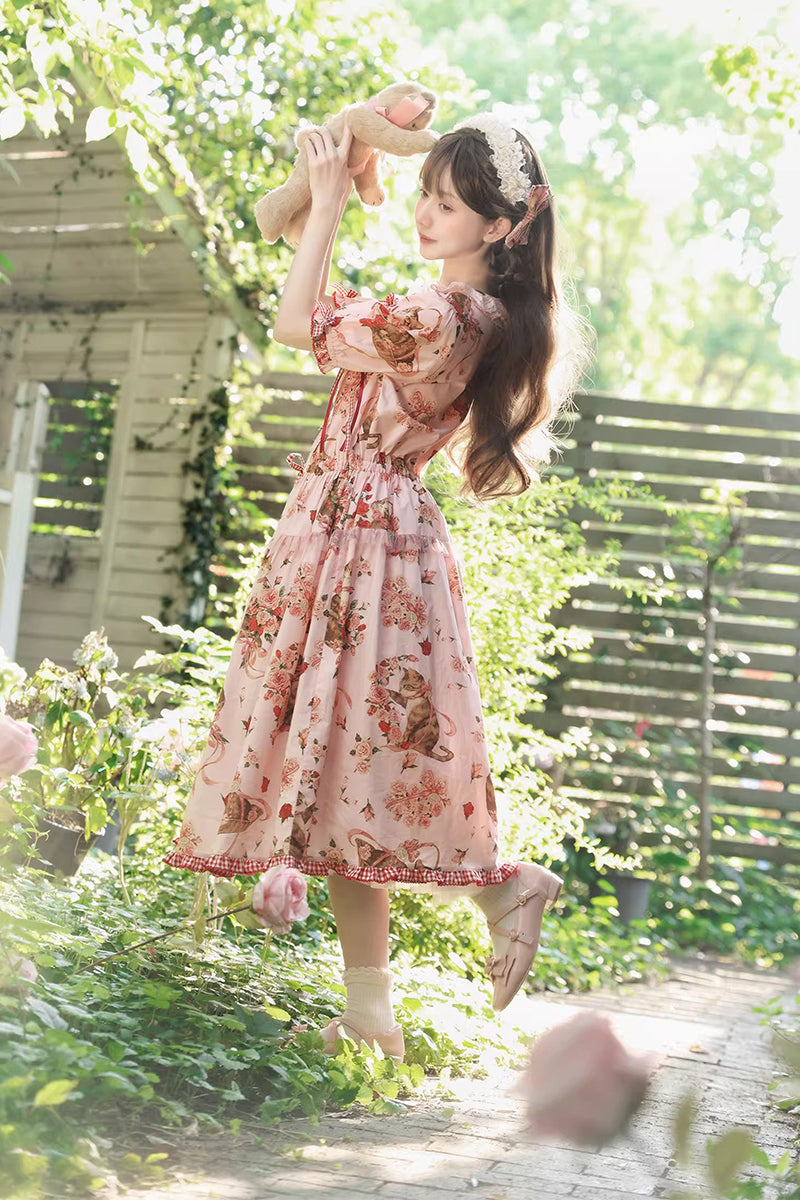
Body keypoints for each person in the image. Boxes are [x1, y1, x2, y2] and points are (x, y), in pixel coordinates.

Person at [164, 112, 589, 1062]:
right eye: (426, 195)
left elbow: (294, 323)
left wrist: (324, 205)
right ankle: (372, 1016)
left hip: (361, 540)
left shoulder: (441, 317)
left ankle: (493, 893)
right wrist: (328, 177)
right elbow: (310, 295)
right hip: (364, 533)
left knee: (350, 768)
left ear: (499, 227)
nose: (425, 214)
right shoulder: (460, 312)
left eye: (448, 205)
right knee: (345, 776)